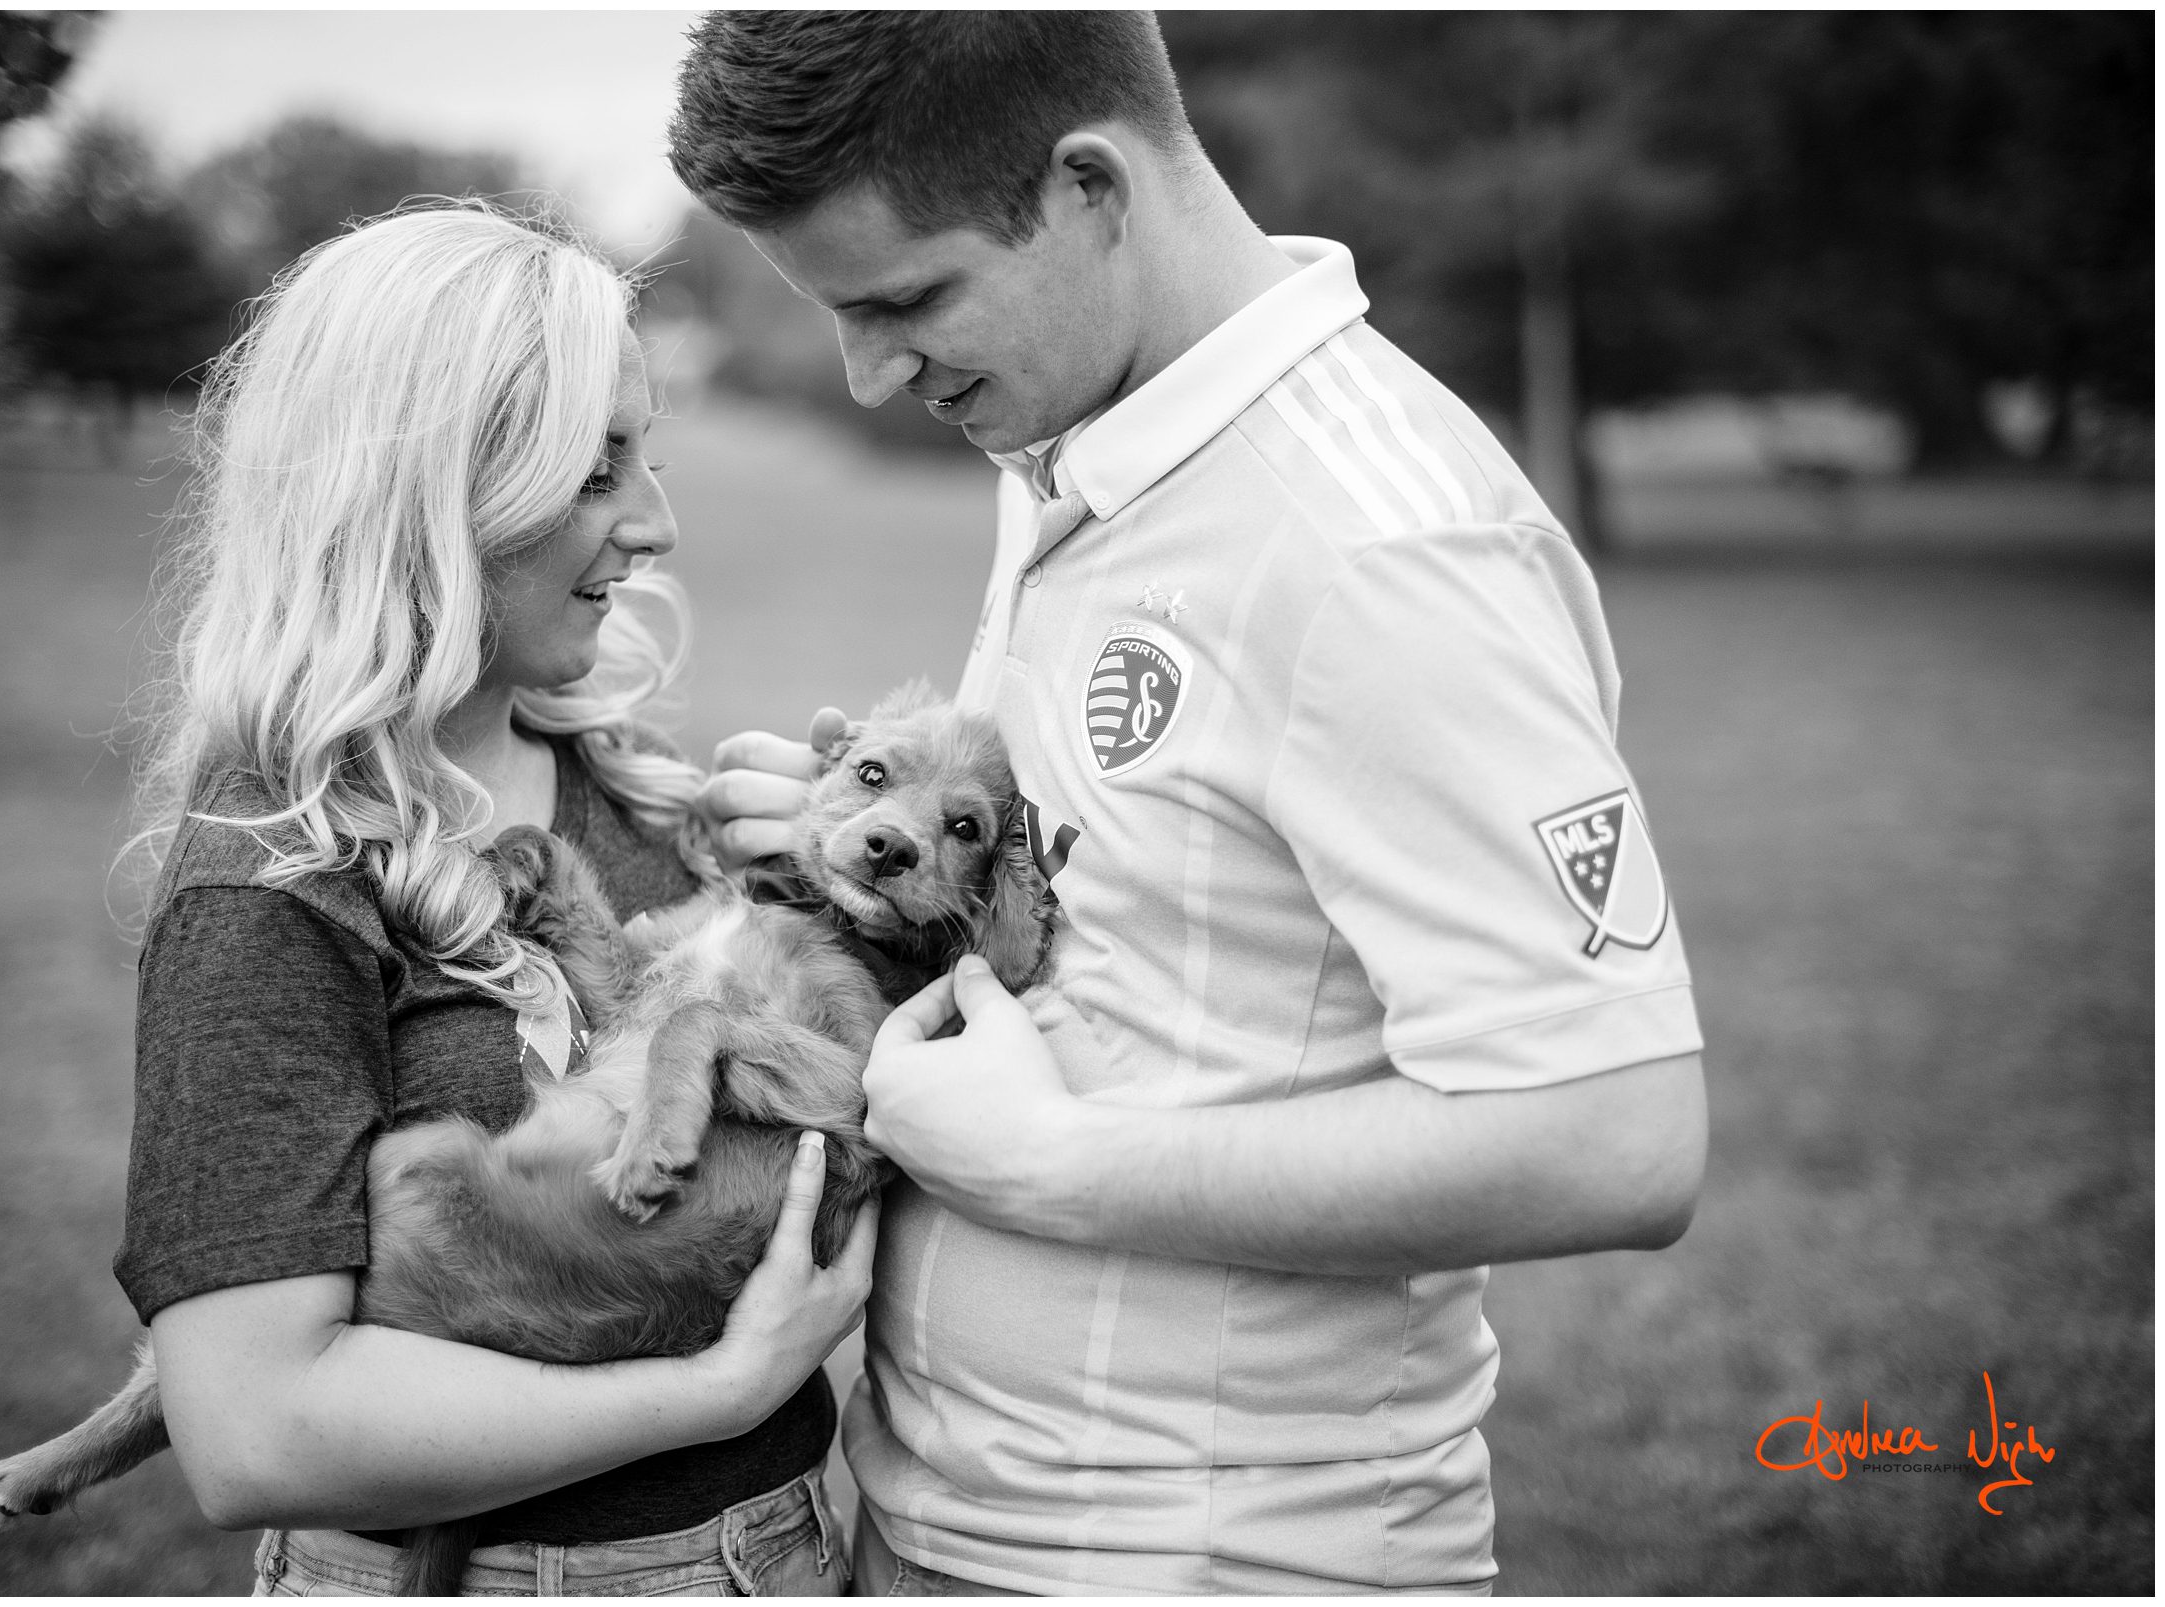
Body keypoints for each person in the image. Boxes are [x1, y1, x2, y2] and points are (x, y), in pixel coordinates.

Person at [670, 13, 1708, 1596]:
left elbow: (1610, 1136)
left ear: (1090, 188)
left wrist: (1059, 1167)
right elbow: (1149, 919)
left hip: (1199, 1563)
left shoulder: (1371, 544)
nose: (871, 376)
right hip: (947, 1522)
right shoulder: (1093, 448)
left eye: (907, 299)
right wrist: (858, 840)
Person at [112, 205, 873, 1597]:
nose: (657, 522)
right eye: (596, 471)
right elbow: (254, 1433)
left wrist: (833, 872)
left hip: (779, 1554)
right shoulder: (270, 892)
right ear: (426, 497)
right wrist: (723, 1387)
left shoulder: (623, 789)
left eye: (647, 455)